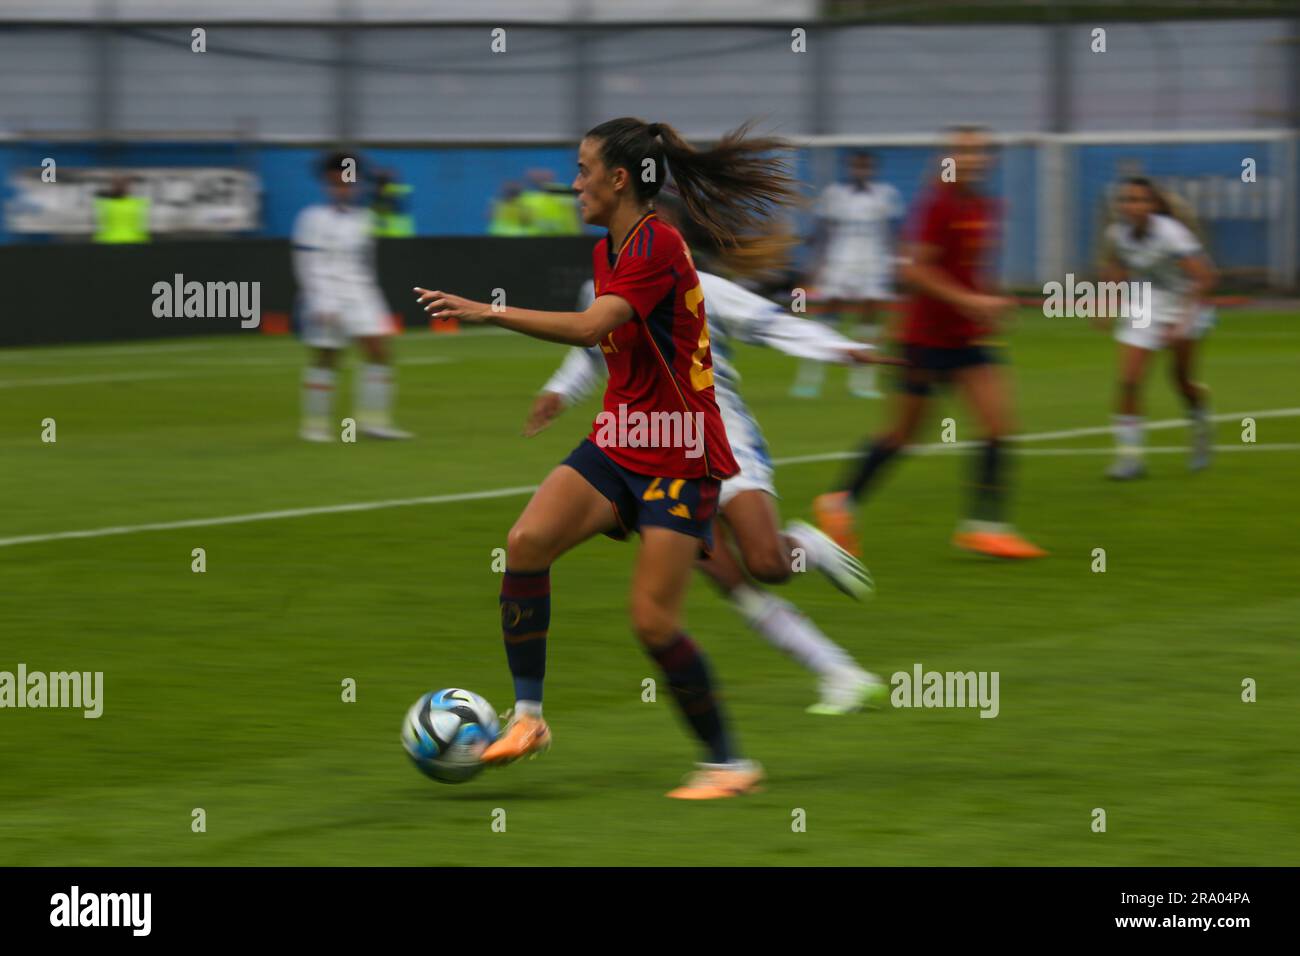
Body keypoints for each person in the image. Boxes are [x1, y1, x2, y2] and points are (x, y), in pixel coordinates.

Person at [415, 117, 800, 799]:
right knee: (526, 542)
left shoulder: (657, 244)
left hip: (680, 454)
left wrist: (487, 311)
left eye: (583, 168)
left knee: (653, 622)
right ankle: (528, 719)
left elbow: (595, 327)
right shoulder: (610, 251)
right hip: (621, 439)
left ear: (619, 179)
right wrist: (564, 393)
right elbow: (603, 348)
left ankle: (729, 764)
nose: (574, 182)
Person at [525, 188, 899, 714]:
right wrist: (560, 392)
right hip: (655, 455)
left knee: (767, 562)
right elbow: (592, 352)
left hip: (725, 442)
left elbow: (774, 325)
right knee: (728, 578)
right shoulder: (601, 286)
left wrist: (841, 350)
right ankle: (838, 671)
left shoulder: (705, 289)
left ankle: (806, 547)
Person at [813, 126, 1046, 560]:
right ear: (948, 159)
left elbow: (971, 268)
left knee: (998, 426)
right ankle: (839, 501)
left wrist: (989, 302)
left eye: (979, 154)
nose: (972, 160)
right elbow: (915, 272)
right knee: (902, 435)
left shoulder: (986, 205)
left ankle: (985, 526)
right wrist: (971, 299)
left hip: (968, 338)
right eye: (963, 153)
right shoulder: (937, 204)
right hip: (925, 340)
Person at [1097, 176, 1217, 479]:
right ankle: (1130, 460)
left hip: (1184, 300)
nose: (1131, 206)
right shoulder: (1117, 234)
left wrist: (1183, 320)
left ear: (1152, 205)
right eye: (1126, 200)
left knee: (1181, 380)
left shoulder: (1171, 234)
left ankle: (1200, 421)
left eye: (1139, 200)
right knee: (1129, 380)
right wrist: (1104, 304)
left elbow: (1204, 277)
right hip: (1145, 302)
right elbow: (1116, 269)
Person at [293, 151, 412, 442]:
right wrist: (318, 300)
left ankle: (373, 422)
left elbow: (366, 262)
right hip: (327, 295)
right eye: (338, 182)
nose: (345, 187)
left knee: (379, 353)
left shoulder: (364, 218)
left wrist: (372, 296)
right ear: (328, 184)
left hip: (361, 293)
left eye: (350, 181)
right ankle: (315, 426)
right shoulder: (312, 218)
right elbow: (307, 263)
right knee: (326, 357)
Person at [791, 151, 903, 399]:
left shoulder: (886, 195)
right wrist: (814, 267)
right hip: (839, 260)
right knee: (828, 316)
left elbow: (893, 233)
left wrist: (897, 264)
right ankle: (811, 378)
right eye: (857, 165)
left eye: (866, 165)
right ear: (850, 168)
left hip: (873, 262)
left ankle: (863, 382)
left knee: (869, 319)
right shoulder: (834, 195)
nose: (861, 170)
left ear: (872, 168)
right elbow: (823, 233)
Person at [93, 175, 150, 244]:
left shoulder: (102, 204)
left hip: (108, 240)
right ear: (128, 188)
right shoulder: (140, 204)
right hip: (134, 239)